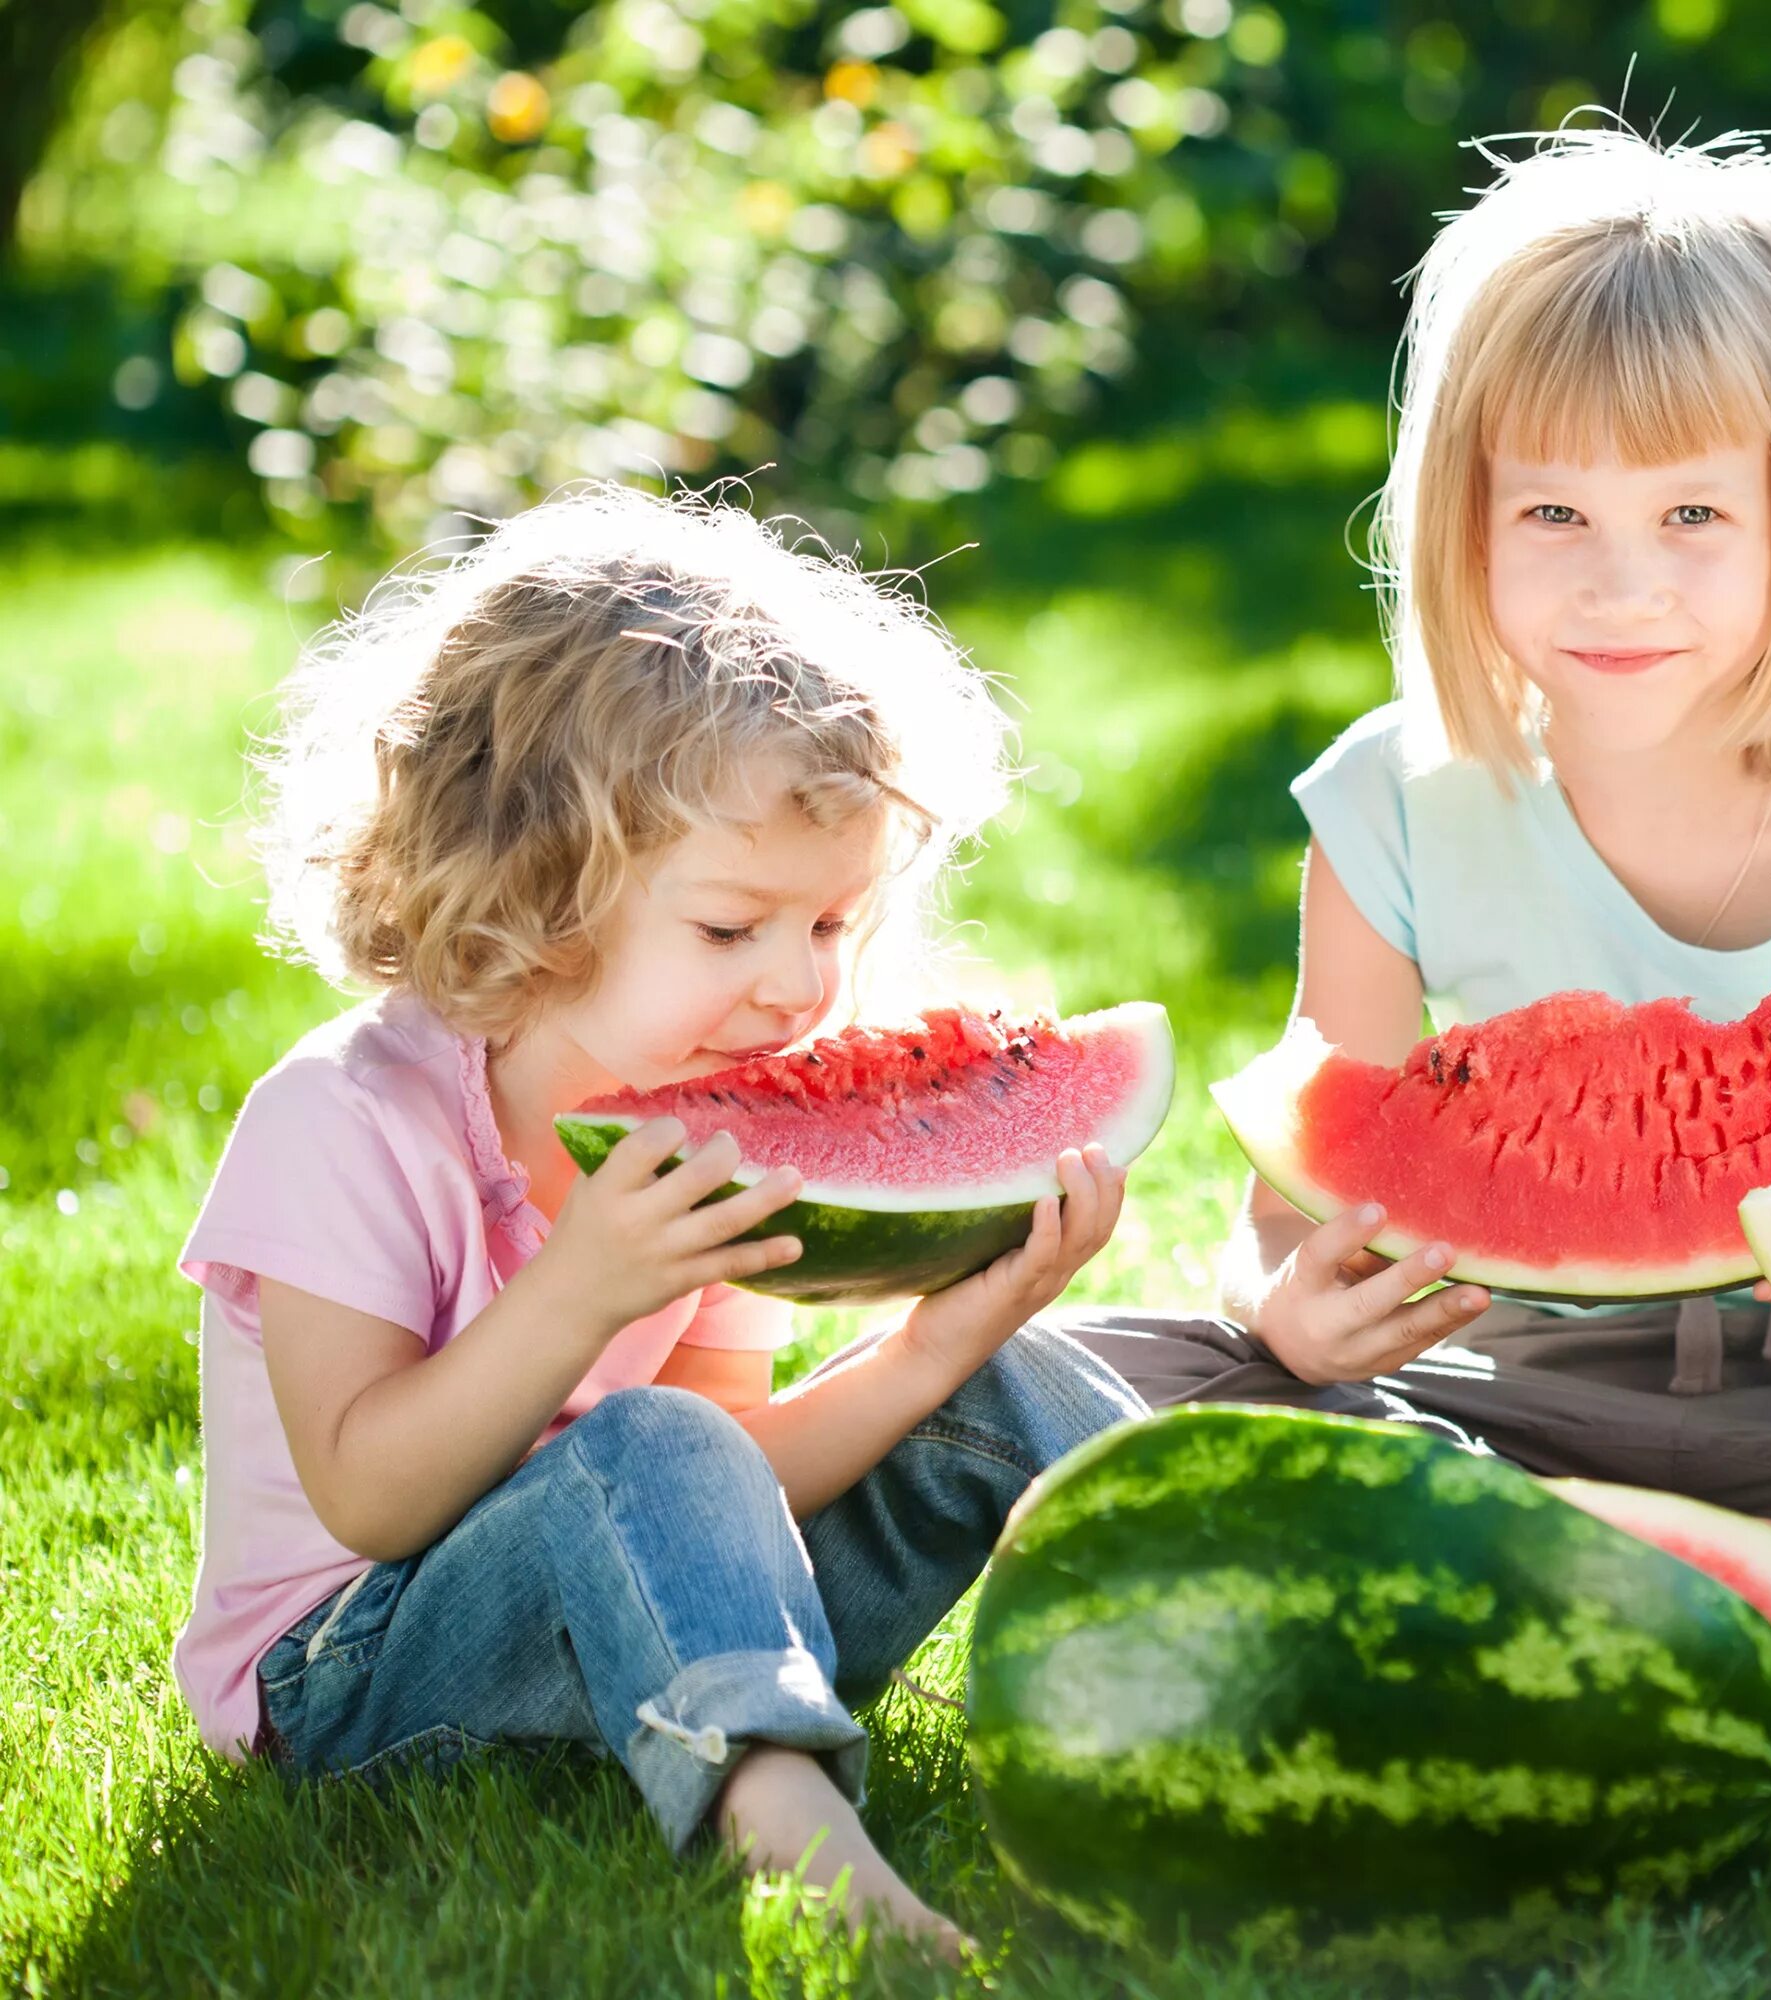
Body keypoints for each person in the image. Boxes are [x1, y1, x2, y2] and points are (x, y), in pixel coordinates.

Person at [1054, 124, 1771, 1520]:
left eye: (1691, 513)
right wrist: (1285, 1312)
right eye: (1553, 510)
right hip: (1484, 1397)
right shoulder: (1391, 806)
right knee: (1066, 1377)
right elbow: (1288, 1221)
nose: (1622, 587)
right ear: (1458, 517)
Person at [177, 484, 1143, 1951]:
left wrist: (942, 1348)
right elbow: (369, 1498)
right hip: (354, 1677)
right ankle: (798, 1841)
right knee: (646, 1439)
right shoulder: (342, 1123)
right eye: (729, 927)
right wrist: (582, 1290)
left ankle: (1255, 1674)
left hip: (664, 1621)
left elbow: (732, 1479)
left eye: (829, 924)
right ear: (536, 888)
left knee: (1010, 1382)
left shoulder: (730, 1120)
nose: (795, 987)